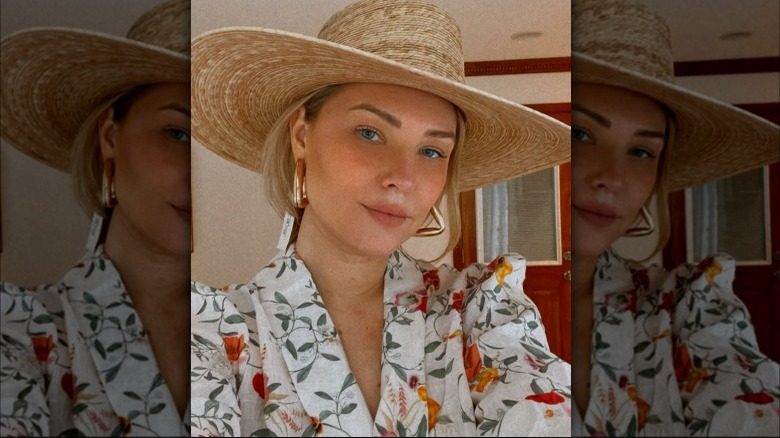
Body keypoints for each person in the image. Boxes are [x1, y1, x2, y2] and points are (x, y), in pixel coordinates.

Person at [189, 0, 571, 436]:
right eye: (370, 133)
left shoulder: (480, 313)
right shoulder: (212, 331)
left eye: (432, 151)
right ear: (302, 137)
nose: (402, 178)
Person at [570, 0, 780, 436]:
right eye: (581, 134)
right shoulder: (466, 309)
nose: (611, 177)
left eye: (642, 151)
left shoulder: (690, 307)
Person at [0, 1, 190, 435]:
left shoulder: (257, 335)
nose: (196, 172)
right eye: (177, 133)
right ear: (110, 137)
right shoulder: (19, 327)